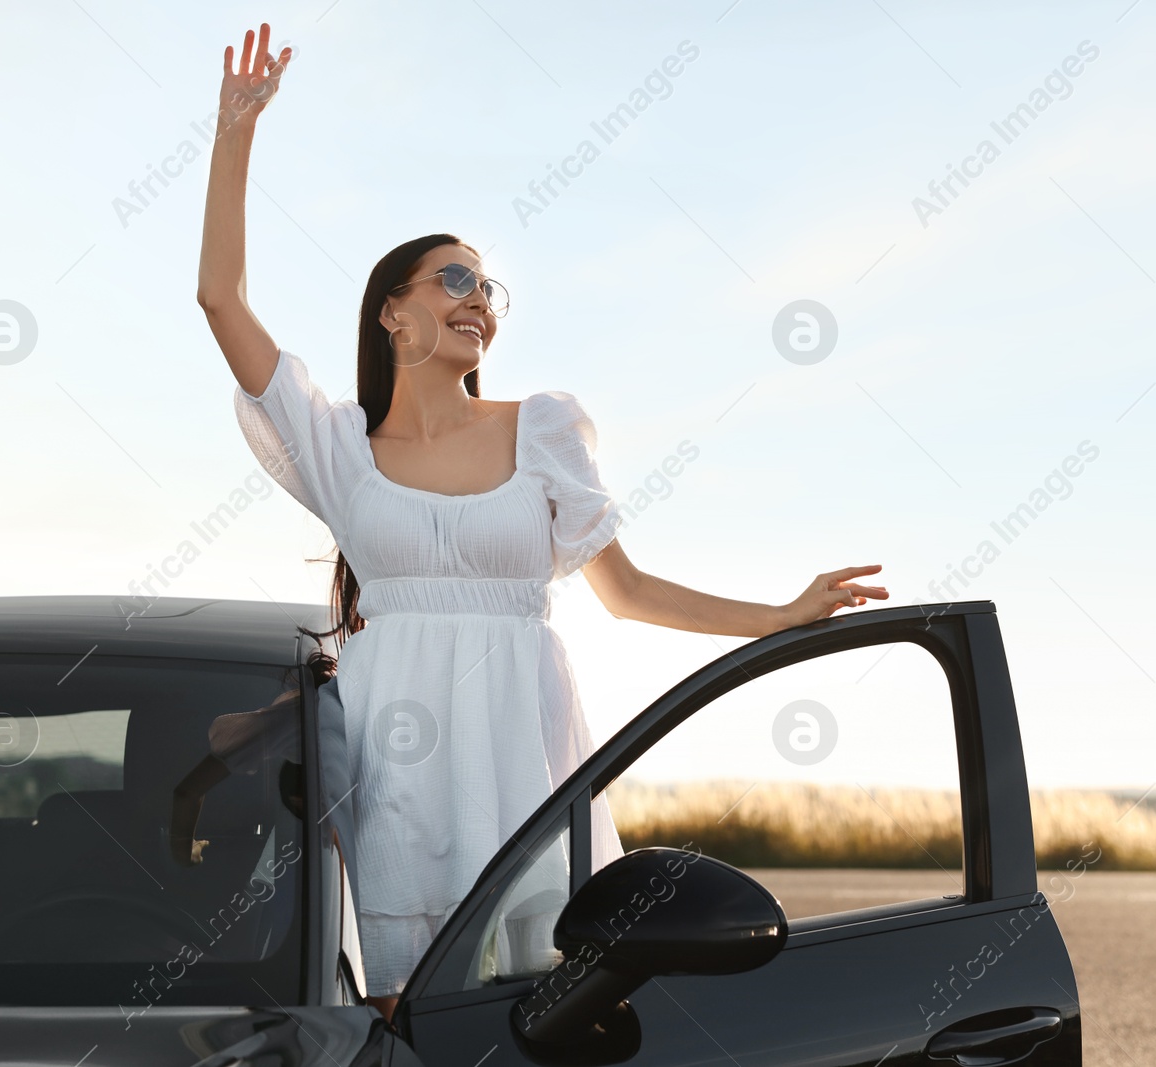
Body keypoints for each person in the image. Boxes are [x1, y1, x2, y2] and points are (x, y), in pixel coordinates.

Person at [195, 23, 889, 1025]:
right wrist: (235, 135)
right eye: (457, 279)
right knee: (393, 1008)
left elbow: (626, 591)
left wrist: (777, 616)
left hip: (521, 750)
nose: (482, 301)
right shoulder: (336, 446)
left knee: (535, 1006)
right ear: (393, 313)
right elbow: (220, 296)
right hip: (390, 761)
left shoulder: (546, 428)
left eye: (492, 288)